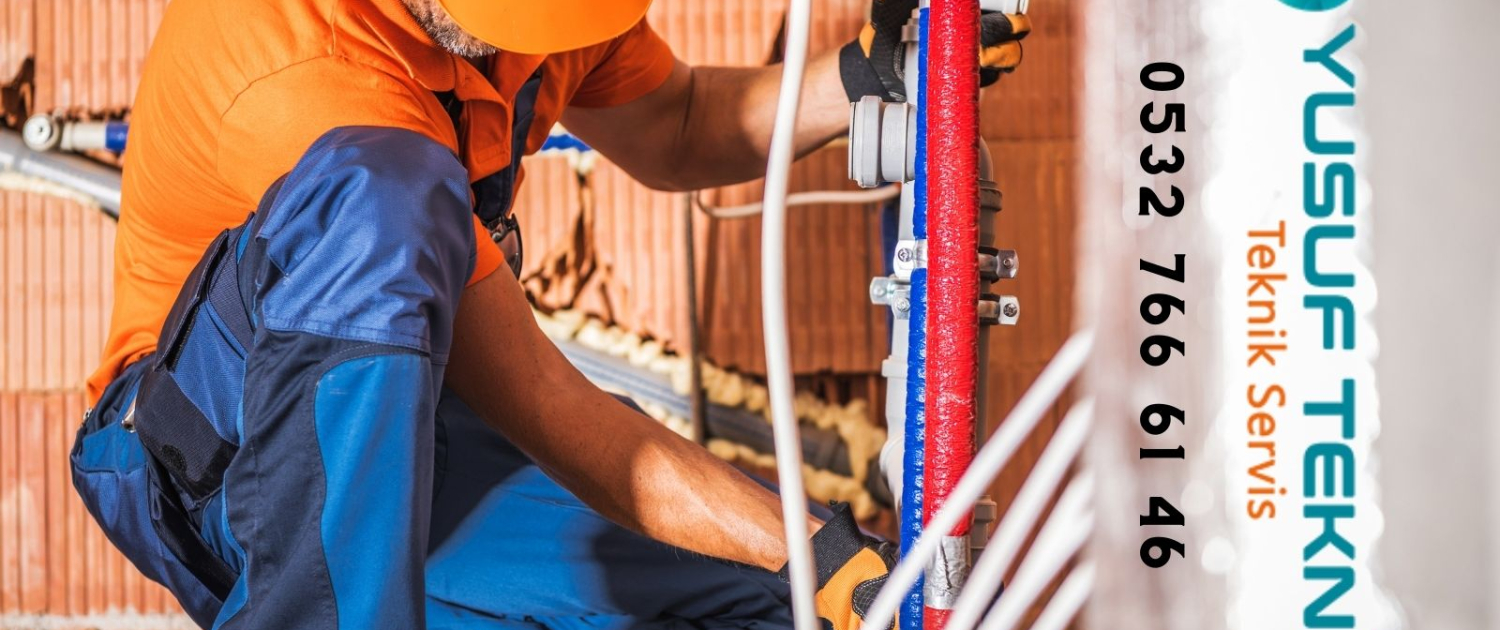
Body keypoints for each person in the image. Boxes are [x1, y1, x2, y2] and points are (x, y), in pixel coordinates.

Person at [69, 0, 1031, 627]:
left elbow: (679, 123)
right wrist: (812, 541)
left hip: (415, 434)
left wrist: (859, 78)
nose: (514, 42)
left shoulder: (541, 15)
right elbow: (551, 405)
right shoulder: (301, 74)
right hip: (205, 457)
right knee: (382, 195)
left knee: (762, 607)